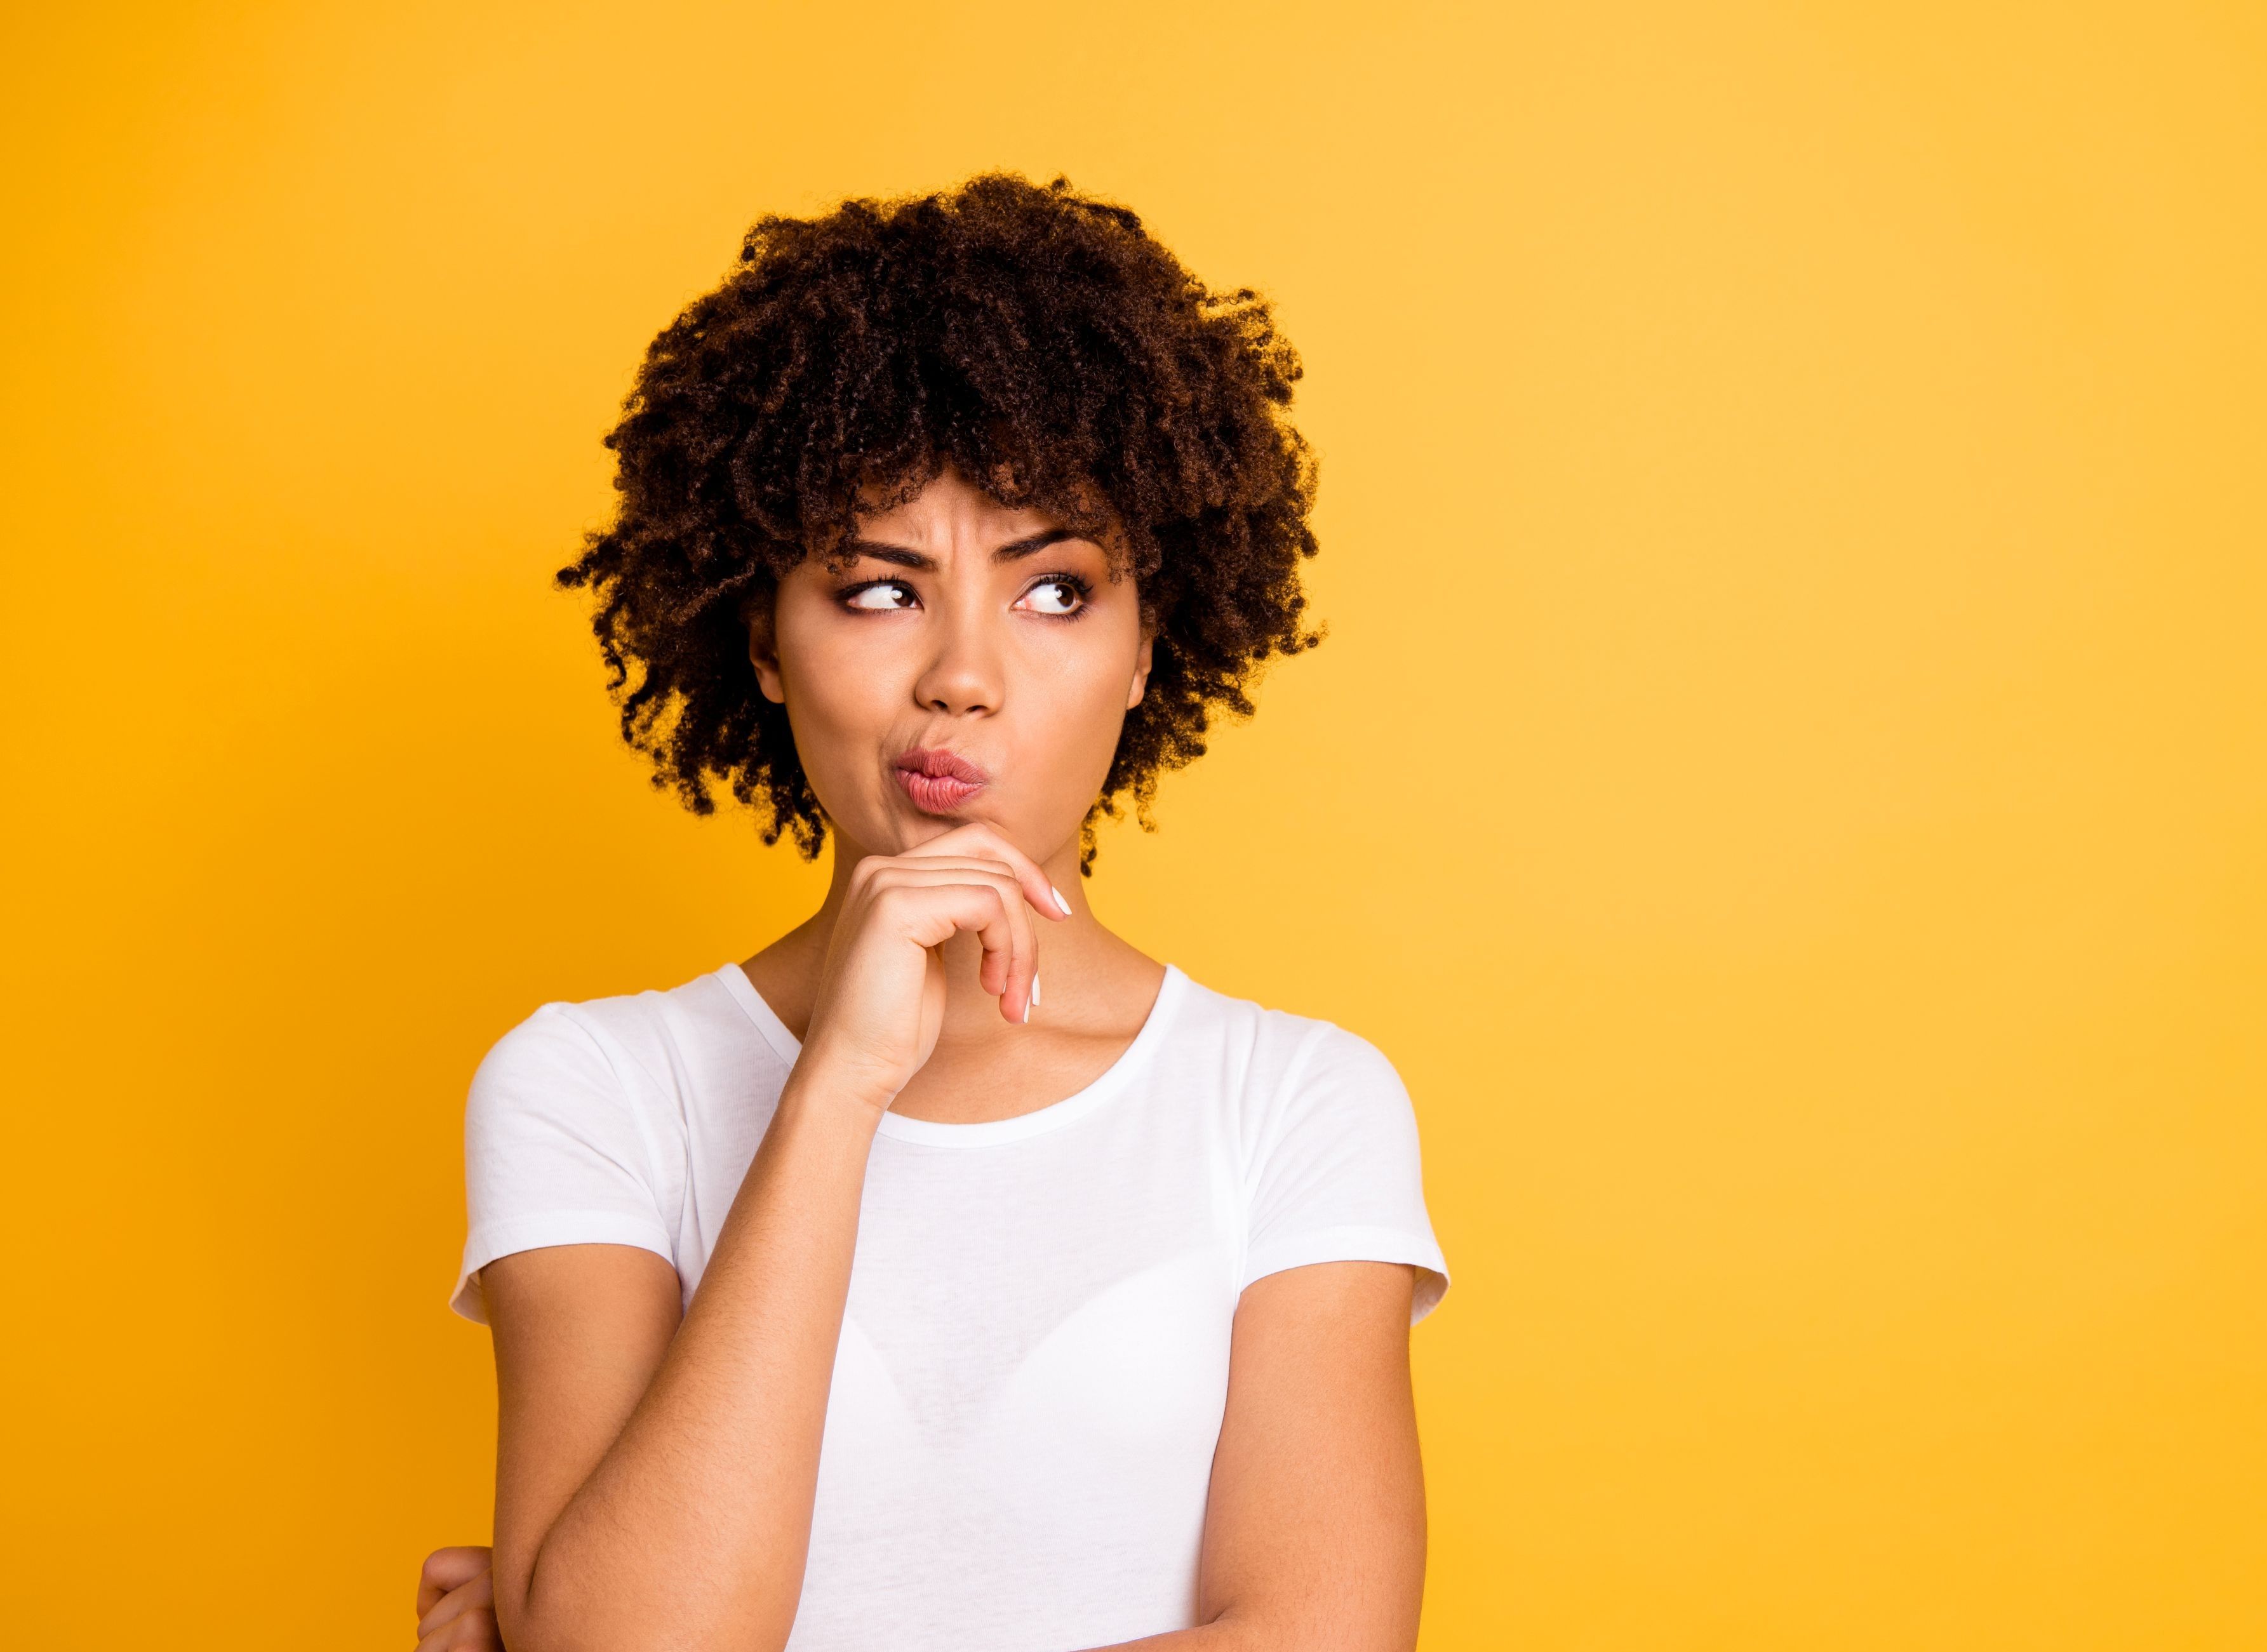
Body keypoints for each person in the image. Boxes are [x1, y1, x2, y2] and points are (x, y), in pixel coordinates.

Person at [410, 174, 1448, 1652]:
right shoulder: (592, 1087)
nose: (963, 672)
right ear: (765, 640)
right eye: (882, 591)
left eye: (1057, 591)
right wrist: (838, 1080)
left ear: (1153, 644)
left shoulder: (1290, 1103)